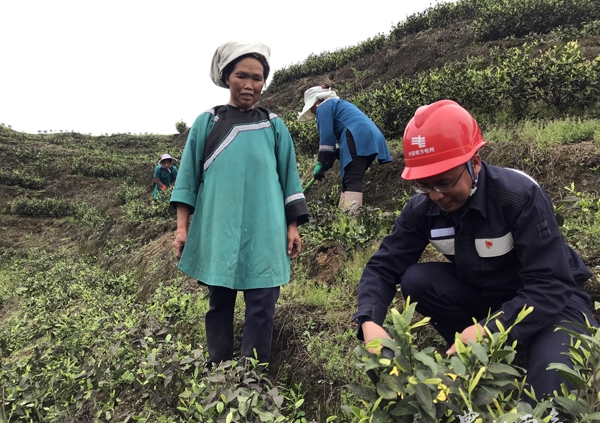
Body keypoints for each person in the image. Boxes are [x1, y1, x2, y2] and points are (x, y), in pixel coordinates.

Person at [352, 99, 597, 402]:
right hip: (488, 296)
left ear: (475, 163)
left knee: (549, 394)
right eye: (424, 185)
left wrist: (490, 329)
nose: (436, 195)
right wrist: (369, 322)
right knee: (416, 279)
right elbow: (384, 267)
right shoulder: (423, 209)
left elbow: (551, 284)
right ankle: (480, 351)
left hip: (554, 302)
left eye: (444, 182)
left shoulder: (518, 197)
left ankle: (515, 344)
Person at [170, 41, 309, 368]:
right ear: (226, 77)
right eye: (241, 76)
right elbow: (188, 178)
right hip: (221, 227)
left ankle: (251, 375)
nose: (250, 85)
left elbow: (289, 178)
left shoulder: (274, 126)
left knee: (262, 304)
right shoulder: (208, 122)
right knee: (219, 302)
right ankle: (218, 367)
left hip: (266, 228)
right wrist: (181, 228)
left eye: (257, 78)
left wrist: (292, 226)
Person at [297, 86, 392, 211]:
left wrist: (321, 162)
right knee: (349, 178)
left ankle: (352, 222)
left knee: (352, 179)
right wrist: (329, 161)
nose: (313, 113)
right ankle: (341, 220)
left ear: (316, 102)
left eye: (311, 109)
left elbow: (326, 136)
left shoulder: (324, 107)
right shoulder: (337, 104)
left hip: (357, 135)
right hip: (369, 137)